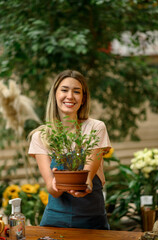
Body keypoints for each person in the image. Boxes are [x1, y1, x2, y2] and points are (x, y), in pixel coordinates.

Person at [28, 69, 112, 229]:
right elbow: (52, 190)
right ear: (55, 94)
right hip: (55, 221)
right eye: (64, 90)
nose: (70, 96)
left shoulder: (95, 128)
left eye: (77, 92)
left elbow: (87, 177)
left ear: (83, 98)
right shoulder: (40, 136)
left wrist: (84, 186)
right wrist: (56, 184)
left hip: (92, 220)